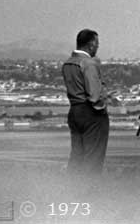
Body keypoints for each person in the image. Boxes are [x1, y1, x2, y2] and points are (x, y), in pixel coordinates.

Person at [61, 29, 110, 175]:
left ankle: (71, 189)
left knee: (76, 155)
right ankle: (90, 191)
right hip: (91, 114)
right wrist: (104, 104)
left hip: (74, 111)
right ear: (92, 44)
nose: (97, 47)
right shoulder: (88, 63)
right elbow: (94, 96)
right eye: (97, 44)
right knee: (93, 157)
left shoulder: (68, 64)